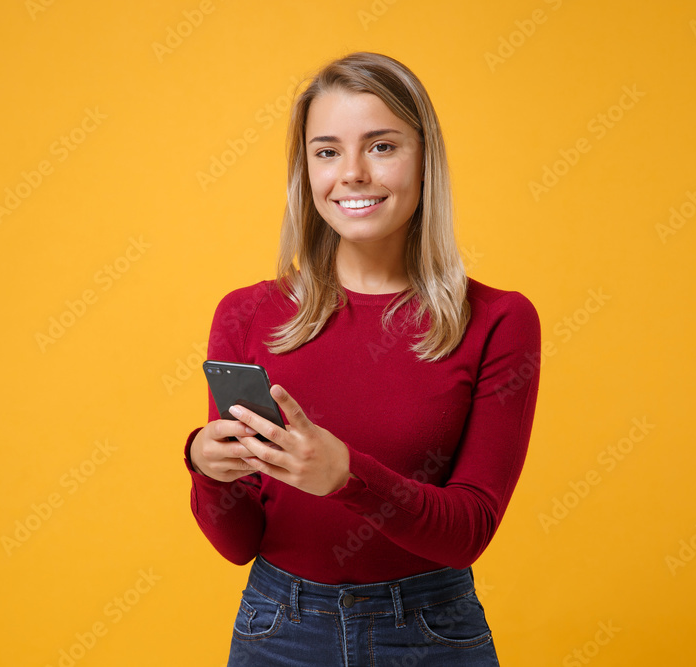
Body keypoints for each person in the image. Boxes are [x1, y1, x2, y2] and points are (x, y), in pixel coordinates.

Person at [183, 51, 540, 666]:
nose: (352, 173)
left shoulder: (499, 321)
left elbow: (468, 532)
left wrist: (347, 477)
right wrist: (205, 467)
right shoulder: (246, 316)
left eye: (381, 146)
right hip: (279, 631)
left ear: (425, 161)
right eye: (326, 151)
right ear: (306, 171)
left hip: (431, 633)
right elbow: (237, 543)